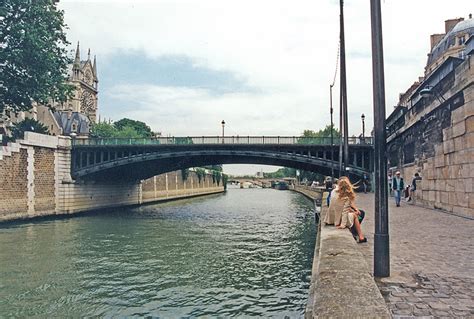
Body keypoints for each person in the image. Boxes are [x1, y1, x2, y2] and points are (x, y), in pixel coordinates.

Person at [335, 177, 367, 243]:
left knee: (359, 213)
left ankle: (354, 231)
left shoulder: (335, 192)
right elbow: (344, 209)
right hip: (340, 216)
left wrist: (355, 209)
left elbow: (348, 204)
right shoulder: (344, 195)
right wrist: (343, 225)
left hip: (338, 214)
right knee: (357, 215)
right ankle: (360, 236)